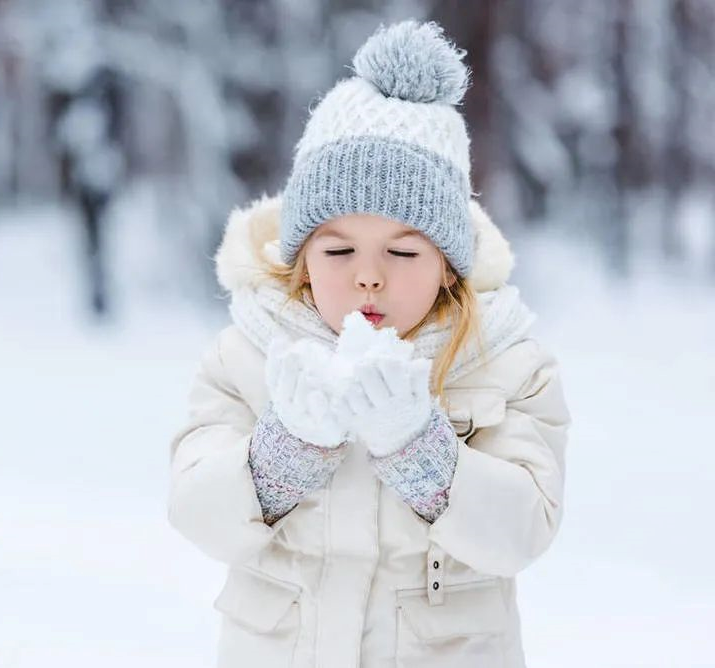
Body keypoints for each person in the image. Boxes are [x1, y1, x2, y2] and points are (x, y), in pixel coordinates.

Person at [167, 19, 571, 668]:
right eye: (339, 249)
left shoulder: (506, 362)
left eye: (403, 250)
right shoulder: (247, 355)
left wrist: (423, 452)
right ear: (301, 258)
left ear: (448, 262)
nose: (369, 274)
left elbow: (524, 529)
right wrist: (283, 453)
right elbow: (194, 511)